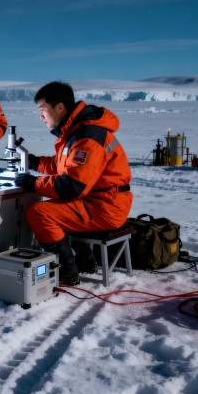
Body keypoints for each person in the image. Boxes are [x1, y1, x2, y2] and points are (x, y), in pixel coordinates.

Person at [15, 81, 132, 285]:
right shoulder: (77, 130)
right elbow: (63, 166)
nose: (41, 116)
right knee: (55, 208)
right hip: (99, 200)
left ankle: (67, 271)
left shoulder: (87, 137)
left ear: (60, 107)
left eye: (43, 109)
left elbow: (71, 187)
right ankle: (85, 261)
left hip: (105, 207)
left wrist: (32, 183)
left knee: (39, 213)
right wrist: (34, 162)